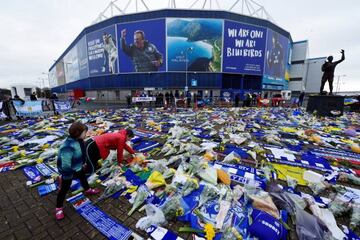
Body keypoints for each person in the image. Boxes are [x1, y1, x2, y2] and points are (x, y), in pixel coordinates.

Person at [56, 122, 100, 220]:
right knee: (64, 189)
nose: (86, 134)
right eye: (85, 132)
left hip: (78, 166)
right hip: (68, 170)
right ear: (78, 133)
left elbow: (82, 152)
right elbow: (65, 164)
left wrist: (83, 162)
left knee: (83, 178)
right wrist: (68, 174)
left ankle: (87, 190)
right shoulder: (67, 146)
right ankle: (58, 207)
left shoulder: (79, 140)